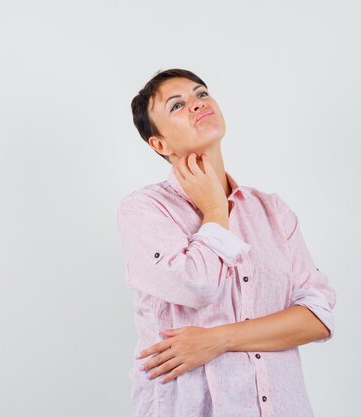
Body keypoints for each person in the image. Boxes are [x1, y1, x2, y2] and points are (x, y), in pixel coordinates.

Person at [117, 68, 337, 417]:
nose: (196, 104)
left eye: (201, 94)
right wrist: (215, 209)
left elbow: (317, 317)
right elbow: (195, 286)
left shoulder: (272, 211)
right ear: (160, 144)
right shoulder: (145, 210)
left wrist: (219, 339)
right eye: (177, 105)